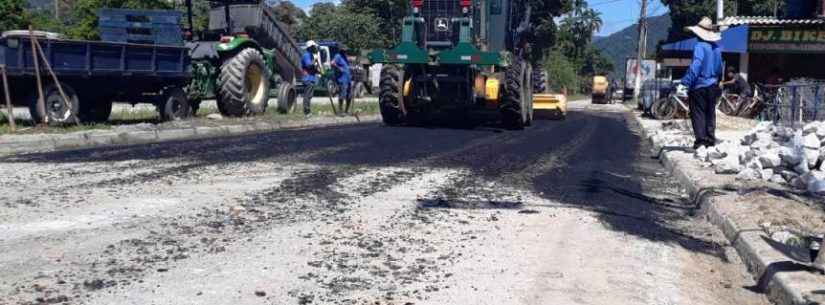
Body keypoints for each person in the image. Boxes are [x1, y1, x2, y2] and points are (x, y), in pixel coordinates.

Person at [681, 17, 723, 149]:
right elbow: (719, 68)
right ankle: (710, 139)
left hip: (699, 85)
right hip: (712, 85)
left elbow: (696, 66)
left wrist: (686, 82)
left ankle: (701, 140)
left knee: (698, 112)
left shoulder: (699, 46)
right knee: (710, 112)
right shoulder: (716, 48)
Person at [301, 40, 321, 118]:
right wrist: (315, 60)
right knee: (307, 95)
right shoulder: (306, 55)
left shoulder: (311, 55)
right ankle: (306, 112)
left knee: (310, 96)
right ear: (310, 47)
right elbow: (308, 65)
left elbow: (312, 68)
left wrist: (317, 70)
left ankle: (308, 111)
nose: (314, 48)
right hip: (307, 78)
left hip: (311, 78)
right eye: (313, 47)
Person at [331, 46, 352, 115]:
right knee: (342, 95)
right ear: (341, 50)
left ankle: (347, 110)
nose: (346, 52)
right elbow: (332, 63)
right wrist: (339, 68)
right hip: (342, 79)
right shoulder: (338, 56)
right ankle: (340, 110)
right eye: (344, 50)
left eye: (346, 51)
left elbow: (346, 66)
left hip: (348, 79)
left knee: (349, 95)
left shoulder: (345, 57)